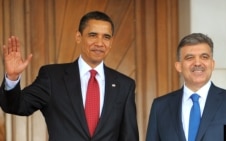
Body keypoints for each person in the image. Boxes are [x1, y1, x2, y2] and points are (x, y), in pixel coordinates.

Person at [0, 11, 139, 141]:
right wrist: (12, 78)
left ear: (111, 42)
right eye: (93, 35)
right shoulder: (52, 78)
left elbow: (129, 137)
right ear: (78, 37)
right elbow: (16, 106)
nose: (99, 43)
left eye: (106, 37)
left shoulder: (125, 85)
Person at [146, 33, 226, 141]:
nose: (197, 63)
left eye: (204, 57)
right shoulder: (160, 107)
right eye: (189, 57)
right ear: (179, 66)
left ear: (212, 64)